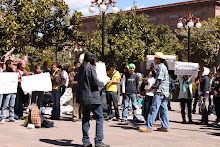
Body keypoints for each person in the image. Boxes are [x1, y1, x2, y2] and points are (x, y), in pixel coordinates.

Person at [76, 52, 109, 147]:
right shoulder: (90, 68)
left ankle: (86, 141)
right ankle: (98, 141)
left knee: (85, 118)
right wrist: (102, 83)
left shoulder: (81, 69)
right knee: (99, 118)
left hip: (84, 98)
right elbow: (94, 82)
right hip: (92, 97)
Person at [139, 52, 170, 132]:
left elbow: (159, 80)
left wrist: (151, 88)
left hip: (160, 91)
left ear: (158, 60)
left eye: (155, 58)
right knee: (163, 110)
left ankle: (148, 126)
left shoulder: (161, 67)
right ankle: (165, 126)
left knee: (154, 108)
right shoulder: (163, 67)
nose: (154, 60)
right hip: (164, 92)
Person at [0, 59, 17, 124]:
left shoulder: (13, 72)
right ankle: (3, 117)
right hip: (7, 91)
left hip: (13, 91)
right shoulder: (5, 72)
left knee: (12, 105)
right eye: (12, 64)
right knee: (5, 105)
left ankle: (11, 117)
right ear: (8, 65)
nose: (13, 66)